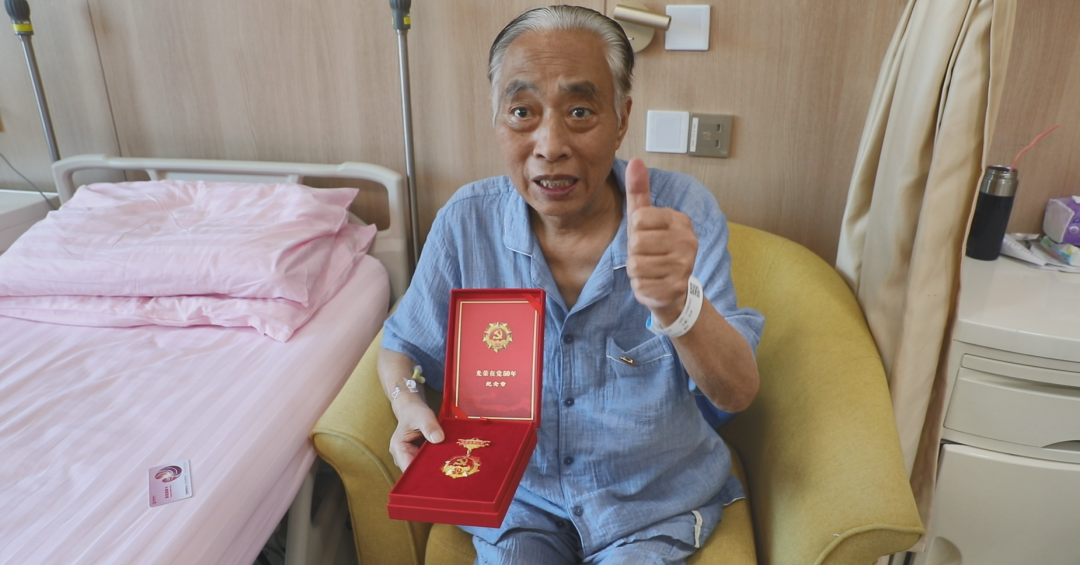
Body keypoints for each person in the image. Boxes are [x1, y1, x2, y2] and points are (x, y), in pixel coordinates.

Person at [378, 5, 764, 564]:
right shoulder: (466, 222)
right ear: (497, 119)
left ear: (621, 117)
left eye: (580, 111)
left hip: (649, 505)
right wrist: (407, 403)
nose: (550, 144)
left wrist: (676, 305)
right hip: (517, 501)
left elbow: (736, 393)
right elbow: (402, 346)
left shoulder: (682, 214)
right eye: (522, 112)